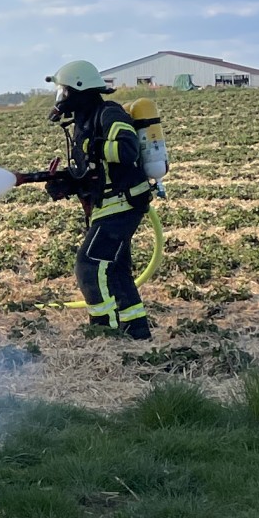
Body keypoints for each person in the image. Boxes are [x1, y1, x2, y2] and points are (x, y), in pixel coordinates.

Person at [37, 59, 154, 340]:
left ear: (80, 89)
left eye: (64, 91)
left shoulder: (108, 114)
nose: (61, 98)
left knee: (89, 265)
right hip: (108, 206)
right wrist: (66, 184)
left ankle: (104, 332)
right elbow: (92, 171)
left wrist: (94, 147)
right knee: (115, 270)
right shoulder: (83, 123)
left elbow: (127, 150)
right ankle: (136, 330)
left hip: (122, 204)